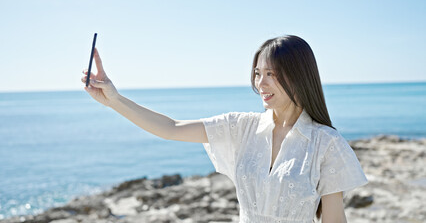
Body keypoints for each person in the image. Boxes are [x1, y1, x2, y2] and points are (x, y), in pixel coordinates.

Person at [81, 35, 368, 223]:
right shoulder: (242, 127)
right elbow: (171, 128)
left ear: (299, 76)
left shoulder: (326, 143)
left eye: (271, 74)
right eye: (258, 74)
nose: (261, 84)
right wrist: (114, 101)